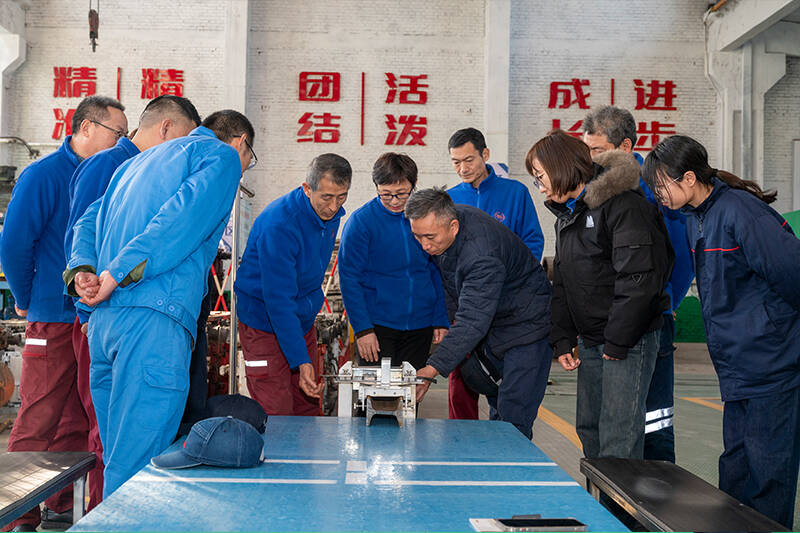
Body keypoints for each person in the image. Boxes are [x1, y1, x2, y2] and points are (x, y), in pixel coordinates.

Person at [64, 109, 255, 496]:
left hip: (105, 325)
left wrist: (82, 271)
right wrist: (119, 272)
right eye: (250, 159)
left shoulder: (132, 165)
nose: (245, 167)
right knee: (139, 466)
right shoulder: (220, 157)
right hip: (153, 321)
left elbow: (86, 221)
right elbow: (180, 219)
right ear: (240, 143)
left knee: (117, 456)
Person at [642, 135, 800, 529]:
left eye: (661, 185)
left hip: (771, 363)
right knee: (736, 467)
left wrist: (774, 331)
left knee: (768, 471)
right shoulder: (697, 218)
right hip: (737, 366)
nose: (659, 195)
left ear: (689, 178)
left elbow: (793, 274)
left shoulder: (742, 213)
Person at [63, 95, 200, 509]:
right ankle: (104, 513)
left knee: (121, 435)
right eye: (185, 140)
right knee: (110, 435)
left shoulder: (135, 167)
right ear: (167, 128)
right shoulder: (112, 165)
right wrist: (87, 309)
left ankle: (107, 511)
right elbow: (82, 230)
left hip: (113, 313)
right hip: (103, 314)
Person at [0, 95, 127, 532]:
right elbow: (14, 244)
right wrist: (25, 297)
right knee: (39, 415)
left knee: (76, 415)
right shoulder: (43, 175)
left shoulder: (106, 175)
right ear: (86, 128)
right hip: (52, 315)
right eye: (117, 133)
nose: (121, 142)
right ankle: (17, 514)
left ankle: (60, 504)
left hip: (89, 316)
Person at [526, 129, 673, 460]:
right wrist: (563, 337)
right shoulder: (568, 215)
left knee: (618, 435)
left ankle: (620, 496)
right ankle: (599, 492)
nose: (541, 186)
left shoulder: (625, 207)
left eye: (540, 176)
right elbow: (563, 279)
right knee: (590, 428)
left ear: (561, 167)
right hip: (593, 339)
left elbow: (638, 279)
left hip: (628, 340)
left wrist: (618, 341)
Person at [582, 105, 694, 462]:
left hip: (650, 320)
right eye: (587, 149)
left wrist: (664, 302)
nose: (590, 158)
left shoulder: (655, 189)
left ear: (626, 146)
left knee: (653, 420)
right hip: (611, 322)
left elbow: (681, 256)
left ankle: (657, 490)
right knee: (610, 422)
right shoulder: (598, 189)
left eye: (597, 150)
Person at [406, 188, 552, 439]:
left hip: (528, 327)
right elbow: (451, 284)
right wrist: (448, 321)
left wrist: (432, 368)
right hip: (497, 321)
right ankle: (497, 460)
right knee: (498, 405)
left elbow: (472, 319)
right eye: (417, 237)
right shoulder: (449, 229)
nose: (424, 245)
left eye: (429, 237)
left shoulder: (481, 255)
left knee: (513, 418)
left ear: (453, 226)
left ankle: (511, 461)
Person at [234, 154, 351, 415]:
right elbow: (278, 300)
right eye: (327, 197)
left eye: (341, 197)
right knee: (276, 411)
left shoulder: (329, 216)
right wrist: (300, 358)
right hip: (264, 323)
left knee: (307, 406)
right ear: (307, 188)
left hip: (301, 323)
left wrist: (301, 353)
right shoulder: (280, 225)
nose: (333, 207)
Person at [446, 127, 546, 422]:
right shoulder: (450, 200)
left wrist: (512, 287)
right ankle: (464, 438)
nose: (463, 169)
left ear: (485, 155)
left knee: (506, 385)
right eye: (456, 162)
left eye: (469, 160)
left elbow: (533, 241)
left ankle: (504, 432)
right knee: (463, 381)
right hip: (469, 307)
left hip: (509, 309)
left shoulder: (515, 193)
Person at [338, 153, 449, 369]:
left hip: (421, 325)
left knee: (411, 388)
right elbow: (349, 279)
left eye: (402, 194)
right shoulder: (361, 223)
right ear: (376, 187)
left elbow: (435, 271)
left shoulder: (425, 219)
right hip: (377, 327)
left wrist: (440, 318)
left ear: (414, 185)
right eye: (386, 194)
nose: (395, 201)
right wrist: (362, 329)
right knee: (376, 389)